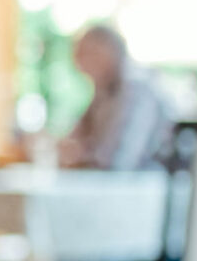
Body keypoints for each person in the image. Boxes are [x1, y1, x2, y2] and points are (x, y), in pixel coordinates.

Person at [58, 23, 173, 171]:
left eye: (86, 54)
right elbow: (76, 138)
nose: (80, 64)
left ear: (108, 51)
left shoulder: (136, 90)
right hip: (117, 184)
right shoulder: (104, 91)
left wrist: (79, 155)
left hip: (146, 183)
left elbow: (121, 159)